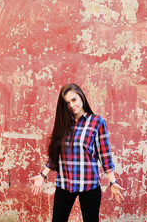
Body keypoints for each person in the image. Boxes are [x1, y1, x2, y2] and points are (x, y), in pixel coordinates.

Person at [29, 83, 125, 221]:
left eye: (74, 99)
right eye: (67, 103)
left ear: (81, 96)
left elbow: (105, 155)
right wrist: (42, 176)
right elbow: (56, 154)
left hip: (89, 185)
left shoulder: (97, 122)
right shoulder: (63, 123)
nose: (71, 105)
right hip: (65, 183)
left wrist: (112, 182)